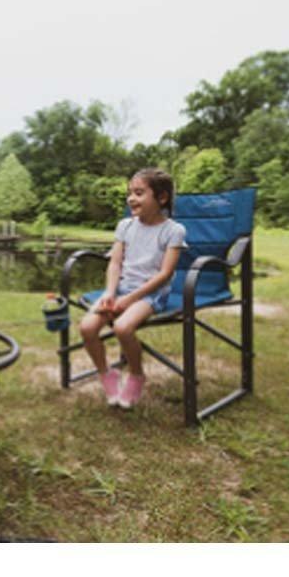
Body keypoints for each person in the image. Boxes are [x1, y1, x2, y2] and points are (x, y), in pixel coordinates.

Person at [78, 168, 185, 410]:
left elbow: (165, 274)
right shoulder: (125, 226)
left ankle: (136, 374)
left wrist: (128, 301)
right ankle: (107, 374)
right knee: (87, 327)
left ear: (162, 198)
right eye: (130, 193)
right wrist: (110, 293)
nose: (131, 199)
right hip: (121, 288)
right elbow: (115, 263)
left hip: (151, 294)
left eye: (139, 193)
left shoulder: (174, 231)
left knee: (123, 327)